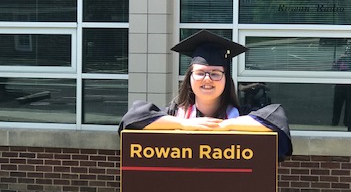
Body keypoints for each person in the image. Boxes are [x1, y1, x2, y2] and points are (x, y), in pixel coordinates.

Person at [118, 30, 292, 160]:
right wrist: (185, 125)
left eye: (215, 73)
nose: (207, 79)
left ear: (226, 79)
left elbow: (278, 126)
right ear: (189, 78)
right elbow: (130, 122)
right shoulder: (172, 115)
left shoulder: (243, 117)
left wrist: (224, 127)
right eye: (200, 73)